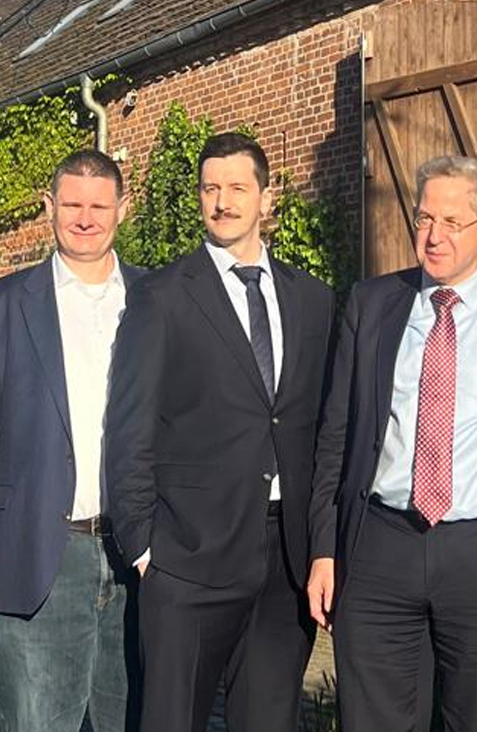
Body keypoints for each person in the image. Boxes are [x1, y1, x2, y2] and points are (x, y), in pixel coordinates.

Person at [308, 155, 477, 732]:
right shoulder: (372, 305)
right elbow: (336, 435)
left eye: (452, 222)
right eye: (425, 218)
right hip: (380, 548)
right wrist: (324, 548)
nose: (433, 235)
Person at [104, 132, 336, 732]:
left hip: (285, 559)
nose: (223, 202)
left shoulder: (312, 301)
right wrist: (144, 548)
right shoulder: (161, 296)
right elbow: (128, 428)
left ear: (266, 198)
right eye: (210, 189)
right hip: (188, 558)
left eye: (237, 188)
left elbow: (319, 426)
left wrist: (320, 542)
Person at [0, 149, 143, 732]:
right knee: (36, 721)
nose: (85, 219)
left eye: (98, 207)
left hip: (138, 558)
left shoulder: (158, 298)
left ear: (122, 209)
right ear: (48, 207)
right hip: (38, 549)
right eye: (71, 205)